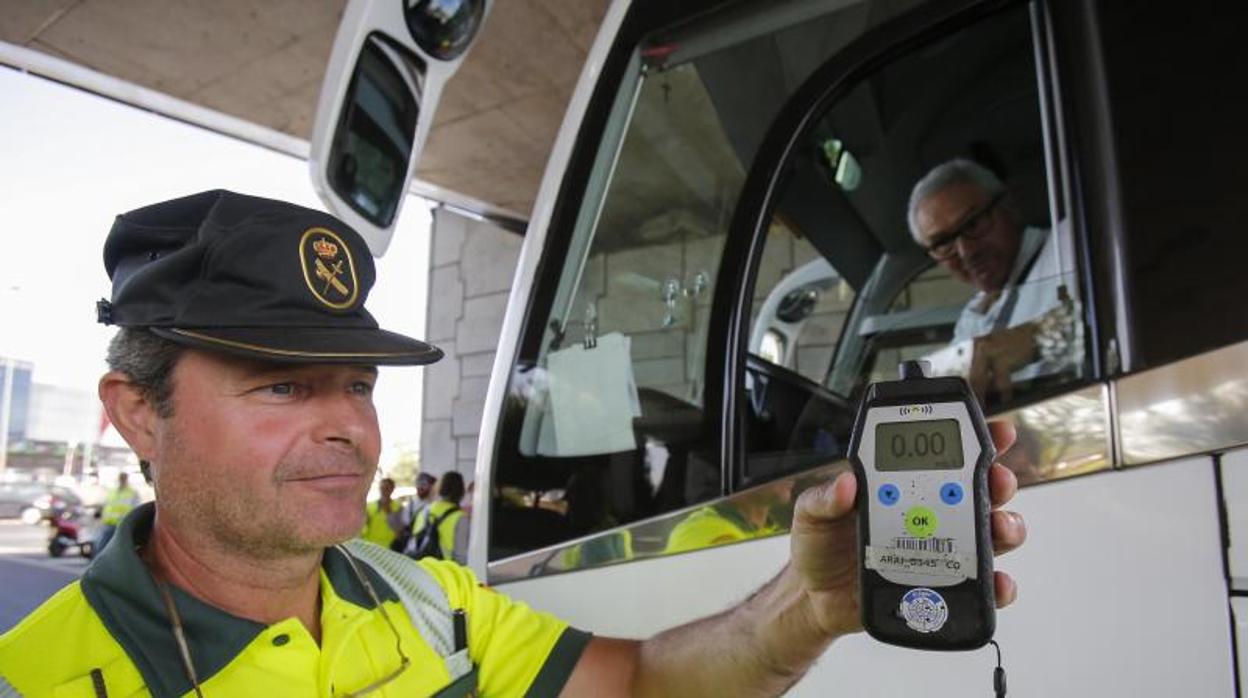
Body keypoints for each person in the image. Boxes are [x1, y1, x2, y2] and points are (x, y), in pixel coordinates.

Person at [0, 190, 1026, 696]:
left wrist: (807, 604)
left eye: (357, 384)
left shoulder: (429, 600)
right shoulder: (37, 678)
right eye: (281, 384)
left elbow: (641, 685)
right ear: (138, 412)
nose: (349, 426)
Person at [908, 158, 1078, 400]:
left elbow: (1118, 311)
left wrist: (1037, 336)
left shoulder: (1070, 242)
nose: (966, 252)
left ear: (1008, 206)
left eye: (973, 224)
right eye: (943, 243)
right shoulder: (973, 317)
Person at [412, 471, 470, 564]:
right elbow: (461, 557)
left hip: (421, 567)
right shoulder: (460, 517)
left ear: (440, 488)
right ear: (461, 491)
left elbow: (414, 542)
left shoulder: (424, 511)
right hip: (444, 569)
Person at [95, 471, 141, 553]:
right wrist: (98, 512)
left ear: (126, 479)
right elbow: (105, 504)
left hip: (123, 525)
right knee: (101, 547)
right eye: (120, 478)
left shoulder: (132, 493)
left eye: (123, 478)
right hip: (109, 524)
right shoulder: (112, 491)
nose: (121, 480)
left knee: (121, 549)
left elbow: (137, 508)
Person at [359, 476, 403, 548]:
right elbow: (361, 529)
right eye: (382, 488)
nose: (384, 490)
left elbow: (400, 531)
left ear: (392, 489)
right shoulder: (369, 506)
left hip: (388, 547)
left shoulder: (398, 507)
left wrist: (389, 512)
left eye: (387, 488)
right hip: (368, 545)